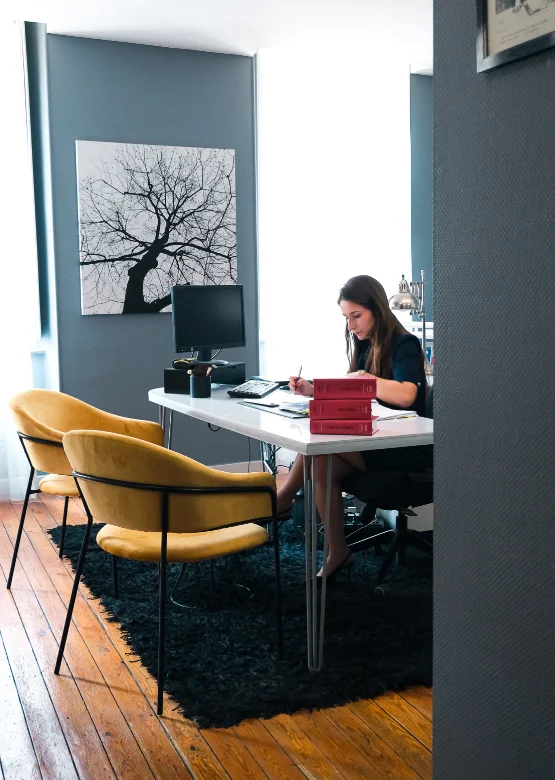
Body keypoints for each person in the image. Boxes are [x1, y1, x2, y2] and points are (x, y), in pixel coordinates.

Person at [276, 274, 433, 578]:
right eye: (346, 318)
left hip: (405, 449)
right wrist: (312, 389)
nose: (350, 326)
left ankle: (282, 501)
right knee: (322, 461)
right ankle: (338, 552)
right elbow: (352, 389)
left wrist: (368, 380)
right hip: (374, 440)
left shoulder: (405, 344)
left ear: (377, 309)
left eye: (356, 316)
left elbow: (407, 395)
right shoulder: (365, 345)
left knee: (319, 445)